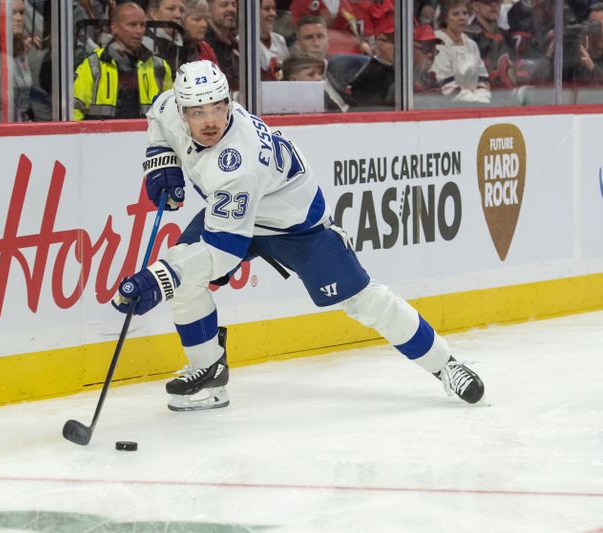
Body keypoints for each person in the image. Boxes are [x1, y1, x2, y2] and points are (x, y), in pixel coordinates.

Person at [112, 59, 486, 411]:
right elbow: (157, 121)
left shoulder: (238, 162)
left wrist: (160, 278)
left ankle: (445, 365)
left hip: (295, 226)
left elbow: (223, 255)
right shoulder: (168, 109)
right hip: (234, 212)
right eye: (198, 112)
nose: (210, 120)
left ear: (229, 103)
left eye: (217, 108)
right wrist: (161, 160)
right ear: (182, 110)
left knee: (365, 301)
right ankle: (209, 375)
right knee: (185, 281)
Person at [73, 2, 173, 120]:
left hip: (146, 136)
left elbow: (171, 111)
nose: (139, 30)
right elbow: (75, 108)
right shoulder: (93, 64)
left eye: (142, 25)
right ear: (114, 27)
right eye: (132, 25)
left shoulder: (159, 66)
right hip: (100, 137)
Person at [431, 0, 491, 104]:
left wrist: (483, 97)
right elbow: (446, 86)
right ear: (445, 18)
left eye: (465, 13)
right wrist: (476, 101)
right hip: (447, 107)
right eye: (456, 14)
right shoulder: (439, 42)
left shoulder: (472, 44)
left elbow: (482, 78)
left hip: (478, 103)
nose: (462, 17)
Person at [466, 0, 517, 89]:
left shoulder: (507, 35)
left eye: (498, 1)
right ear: (475, 6)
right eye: (488, 2)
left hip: (508, 96)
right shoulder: (467, 37)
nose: (494, 5)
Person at [144, 0, 186, 73]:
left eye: (182, 10)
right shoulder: (143, 43)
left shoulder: (188, 44)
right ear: (153, 13)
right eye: (171, 9)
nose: (178, 15)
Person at [205, 0, 240, 90]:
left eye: (234, 4)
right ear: (209, 10)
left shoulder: (236, 44)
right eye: (224, 5)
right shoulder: (205, 44)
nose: (231, 9)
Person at [180, 0, 220, 65]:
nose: (204, 24)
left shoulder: (207, 49)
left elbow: (217, 74)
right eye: (197, 19)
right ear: (182, 21)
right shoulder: (174, 49)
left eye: (206, 19)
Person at [260, 0, 290, 80]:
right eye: (267, 9)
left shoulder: (279, 40)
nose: (273, 13)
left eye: (274, 9)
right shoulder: (243, 41)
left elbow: (287, 72)